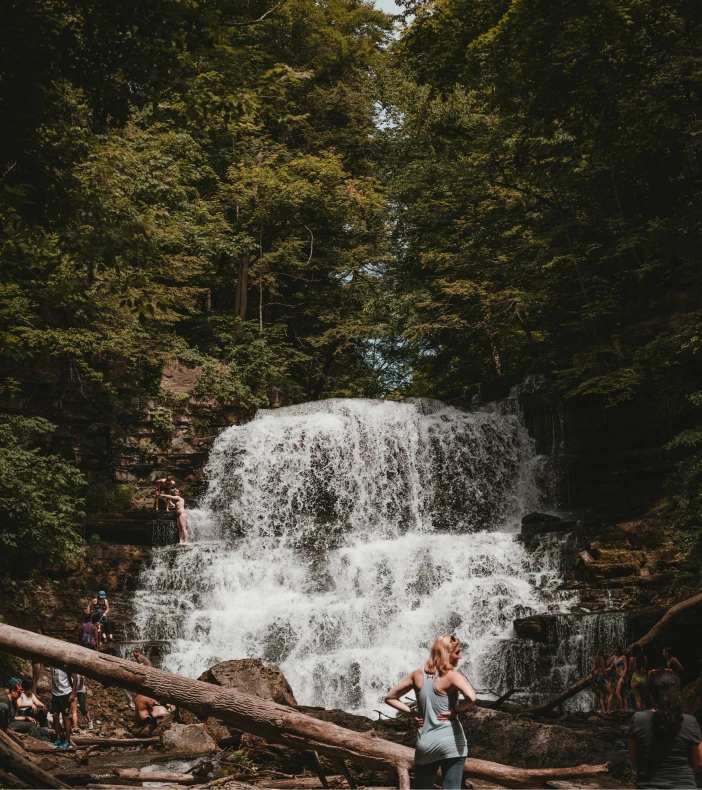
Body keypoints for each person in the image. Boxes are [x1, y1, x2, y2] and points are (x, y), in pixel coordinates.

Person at [385, 635, 477, 790]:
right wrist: (455, 711)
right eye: (457, 653)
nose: (460, 656)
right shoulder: (453, 676)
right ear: (446, 653)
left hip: (427, 743)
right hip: (452, 741)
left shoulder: (417, 675)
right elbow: (472, 697)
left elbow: (390, 697)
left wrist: (413, 713)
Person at [627, 669, 702, 789]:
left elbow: (634, 759)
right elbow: (698, 762)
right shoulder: (690, 721)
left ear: (650, 694)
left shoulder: (638, 719)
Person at [50, 666, 76, 747]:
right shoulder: (52, 665)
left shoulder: (66, 665)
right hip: (55, 693)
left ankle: (67, 740)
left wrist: (73, 693)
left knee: (65, 717)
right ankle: (58, 738)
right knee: (55, 715)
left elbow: (75, 678)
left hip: (65, 693)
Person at [593, 648, 613, 714]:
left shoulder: (596, 659)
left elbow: (592, 669)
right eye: (604, 653)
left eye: (606, 652)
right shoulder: (601, 658)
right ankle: (608, 710)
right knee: (611, 693)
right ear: (601, 653)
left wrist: (593, 673)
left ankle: (604, 711)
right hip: (602, 677)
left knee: (602, 695)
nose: (605, 654)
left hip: (598, 678)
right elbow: (604, 670)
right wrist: (608, 679)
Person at [609, 645, 628, 713]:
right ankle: (626, 710)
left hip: (622, 676)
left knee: (617, 693)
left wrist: (623, 676)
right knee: (622, 693)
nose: (615, 652)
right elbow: (611, 668)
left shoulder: (623, 657)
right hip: (617, 677)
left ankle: (621, 709)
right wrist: (602, 670)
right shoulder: (615, 658)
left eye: (616, 651)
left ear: (619, 651)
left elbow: (626, 668)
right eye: (614, 651)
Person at [630, 644, 648, 712]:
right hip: (643, 678)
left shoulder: (632, 659)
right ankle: (645, 714)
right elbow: (645, 667)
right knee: (642, 700)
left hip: (635, 678)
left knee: (638, 700)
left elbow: (630, 670)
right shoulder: (645, 658)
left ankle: (641, 714)